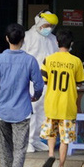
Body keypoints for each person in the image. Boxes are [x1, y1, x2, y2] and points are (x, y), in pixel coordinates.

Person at [0, 23, 44, 167]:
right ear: (23, 39)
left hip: (2, 110)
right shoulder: (30, 60)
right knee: (20, 148)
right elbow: (39, 85)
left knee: (5, 148)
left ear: (6, 39)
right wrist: (34, 97)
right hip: (22, 110)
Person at [39, 28, 84, 167]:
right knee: (65, 138)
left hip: (52, 103)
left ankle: (51, 154)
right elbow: (81, 82)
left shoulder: (48, 59)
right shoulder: (76, 61)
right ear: (71, 43)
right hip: (68, 105)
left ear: (57, 42)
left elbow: (44, 80)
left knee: (52, 134)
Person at [20, 10, 59, 150]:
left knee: (43, 110)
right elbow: (22, 58)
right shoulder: (27, 37)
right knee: (32, 110)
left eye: (52, 26)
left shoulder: (53, 39)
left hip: (48, 81)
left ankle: (36, 139)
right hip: (31, 80)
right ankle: (27, 141)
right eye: (47, 25)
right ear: (39, 22)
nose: (49, 28)